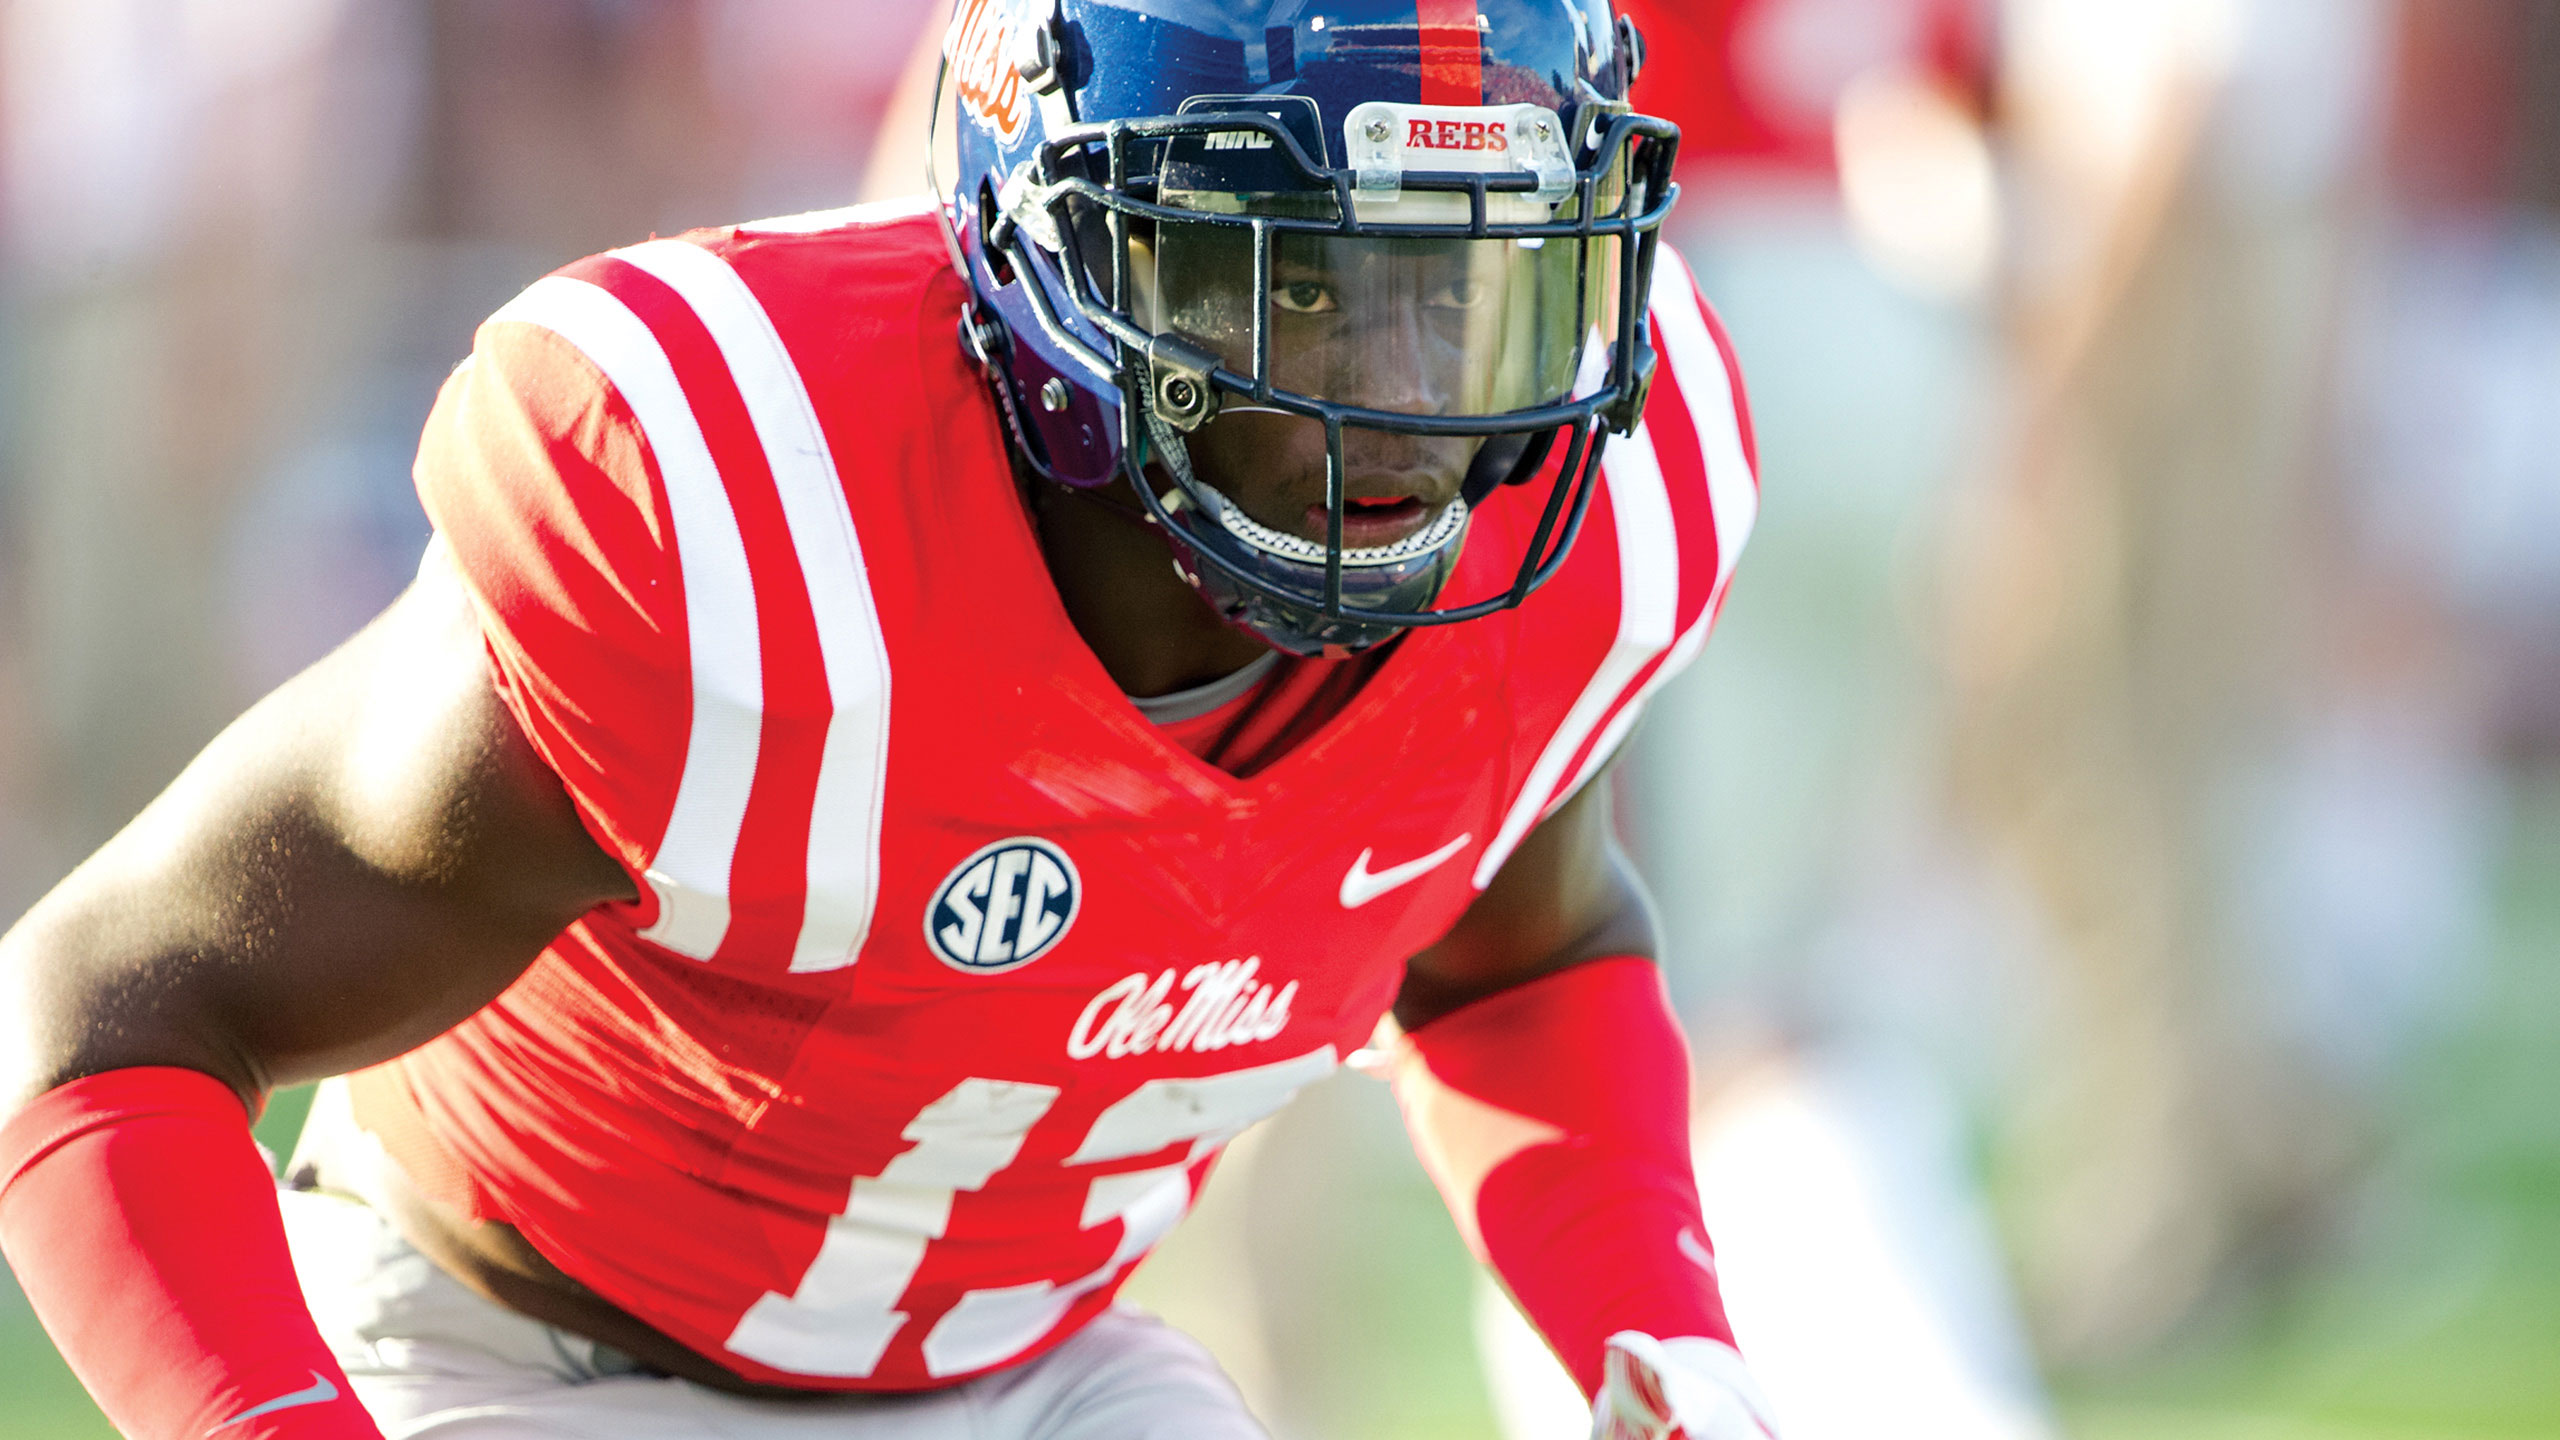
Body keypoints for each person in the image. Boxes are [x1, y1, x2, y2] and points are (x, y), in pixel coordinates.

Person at [0, 3, 1773, 1437]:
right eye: (1301, 286)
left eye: (1471, 289)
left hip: (1036, 1376)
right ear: (1070, 258)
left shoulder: (1596, 512)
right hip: (525, 1352)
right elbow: (95, 1013)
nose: (1410, 409)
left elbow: (1518, 960)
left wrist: (1650, 1323)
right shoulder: (740, 512)